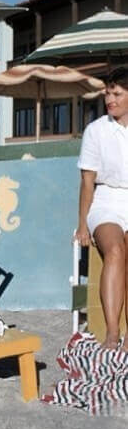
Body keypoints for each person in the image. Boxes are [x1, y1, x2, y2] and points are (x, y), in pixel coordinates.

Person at [75, 65, 128, 349]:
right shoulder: (95, 130)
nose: (110, 100)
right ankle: (111, 332)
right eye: (107, 94)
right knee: (116, 249)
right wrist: (83, 224)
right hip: (106, 200)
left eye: (117, 94)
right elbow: (87, 181)